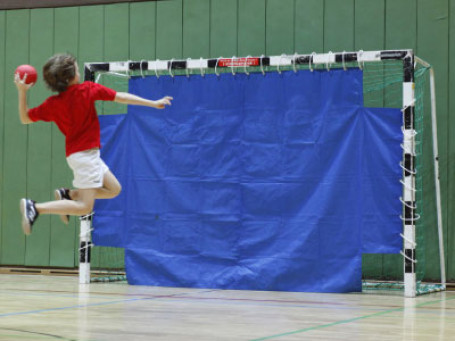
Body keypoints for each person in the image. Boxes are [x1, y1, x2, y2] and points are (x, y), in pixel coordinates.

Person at [15, 53, 173, 235]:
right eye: (76, 67)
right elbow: (120, 96)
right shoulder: (87, 90)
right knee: (84, 207)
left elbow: (25, 117)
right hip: (85, 158)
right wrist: (152, 103)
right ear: (70, 76)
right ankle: (35, 207)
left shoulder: (53, 103)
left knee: (114, 189)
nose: (78, 69)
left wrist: (22, 91)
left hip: (83, 156)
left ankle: (69, 195)